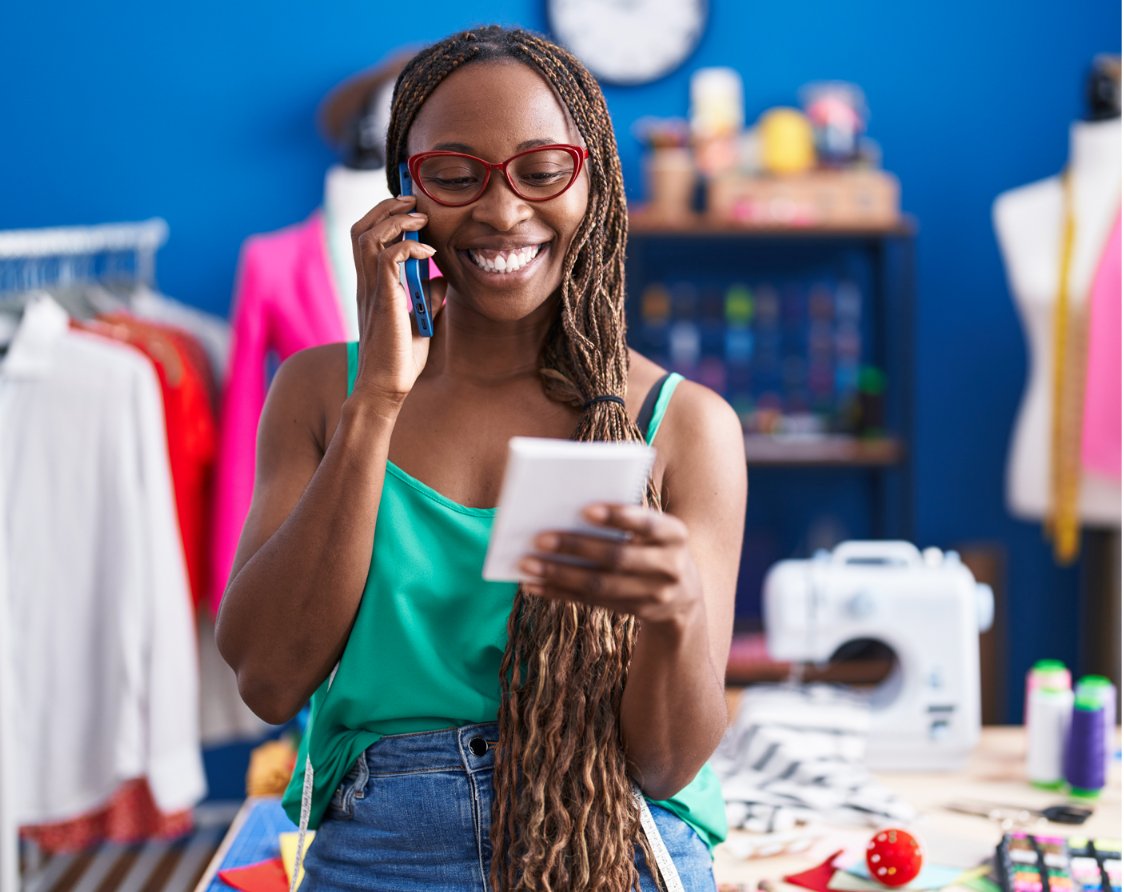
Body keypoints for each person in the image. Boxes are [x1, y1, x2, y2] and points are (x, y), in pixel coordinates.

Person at [216, 24, 746, 891]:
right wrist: (377, 404)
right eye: (456, 177)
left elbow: (665, 765)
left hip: (612, 832)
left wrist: (679, 611)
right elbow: (270, 682)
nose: (502, 212)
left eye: (542, 172)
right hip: (387, 839)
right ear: (402, 195)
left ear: (595, 181)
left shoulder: (684, 426)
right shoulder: (323, 393)